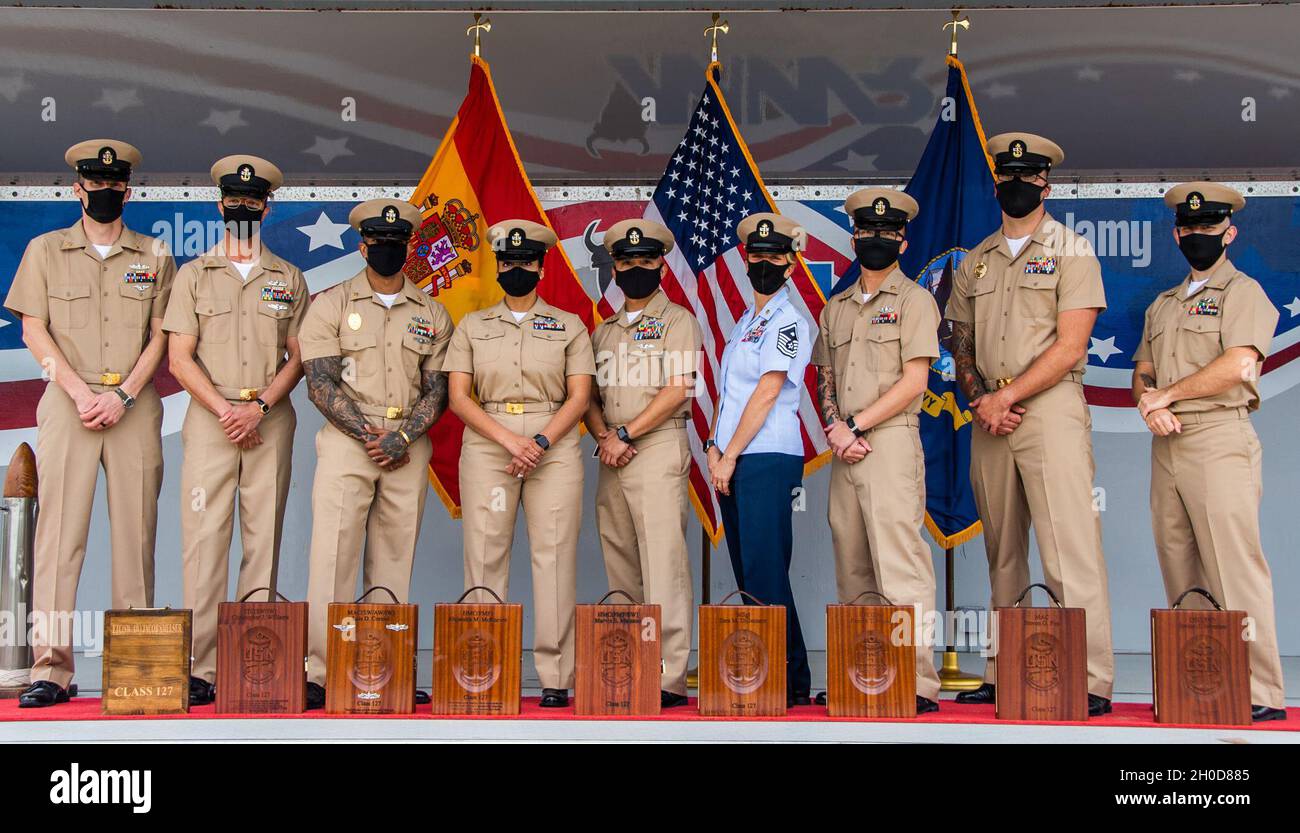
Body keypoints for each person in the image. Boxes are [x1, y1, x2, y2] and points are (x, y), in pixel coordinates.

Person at [947, 133, 1114, 716]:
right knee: (1003, 551)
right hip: (989, 417)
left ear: (1047, 184)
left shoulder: (1073, 251)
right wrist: (981, 401)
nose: (1017, 184)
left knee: (1069, 548)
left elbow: (1071, 346)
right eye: (1007, 176)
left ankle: (1090, 678)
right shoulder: (975, 261)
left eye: (1028, 177)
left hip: (1049, 412)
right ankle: (1005, 668)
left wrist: (1007, 396)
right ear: (996, 183)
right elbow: (958, 343)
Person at [7, 140, 174, 708]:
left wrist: (123, 395)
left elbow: (162, 337)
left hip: (132, 404)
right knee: (57, 536)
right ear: (77, 189)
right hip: (68, 400)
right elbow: (34, 330)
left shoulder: (155, 254)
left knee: (136, 534)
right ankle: (51, 668)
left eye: (114, 186)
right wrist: (81, 393)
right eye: (94, 185)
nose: (105, 193)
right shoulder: (45, 250)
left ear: (128, 190)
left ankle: (136, 666)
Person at [1132, 182, 1285, 722]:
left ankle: (1260, 690)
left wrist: (1166, 395)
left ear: (1230, 232)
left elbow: (1239, 364)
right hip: (1166, 440)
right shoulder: (1163, 304)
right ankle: (1200, 683)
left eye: (1209, 228)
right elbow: (1142, 370)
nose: (1199, 235)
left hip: (1218, 437)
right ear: (1177, 233)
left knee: (1233, 568)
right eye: (1190, 228)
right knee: (1181, 570)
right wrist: (1150, 405)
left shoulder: (1244, 293)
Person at [164, 155, 307, 705]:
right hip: (209, 420)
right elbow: (179, 358)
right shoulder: (194, 275)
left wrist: (259, 409)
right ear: (220, 205)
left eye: (252, 201)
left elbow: (299, 357)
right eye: (233, 201)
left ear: (265, 208)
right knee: (204, 540)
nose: (242, 207)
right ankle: (199, 665)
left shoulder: (289, 278)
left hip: (268, 420)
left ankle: (254, 659)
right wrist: (227, 411)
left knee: (262, 540)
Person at [298, 199, 452, 710]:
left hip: (406, 447)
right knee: (333, 557)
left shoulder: (431, 312)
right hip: (349, 444)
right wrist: (370, 433)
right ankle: (321, 671)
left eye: (396, 244)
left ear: (408, 249)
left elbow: (438, 388)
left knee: (394, 560)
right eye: (378, 244)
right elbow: (318, 382)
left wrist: (402, 437)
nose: (386, 251)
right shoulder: (331, 303)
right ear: (362, 246)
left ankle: (384, 666)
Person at [444, 220, 595, 708]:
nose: (515, 269)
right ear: (498, 267)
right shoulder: (472, 325)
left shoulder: (569, 324)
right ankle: (483, 669)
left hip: (553, 447)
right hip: (491, 442)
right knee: (485, 559)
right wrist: (512, 441)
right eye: (507, 263)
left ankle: (555, 675)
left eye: (524, 262)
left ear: (541, 267)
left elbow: (580, 396)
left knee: (553, 559)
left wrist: (541, 441)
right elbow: (459, 398)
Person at [811, 188, 941, 714]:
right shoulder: (836, 307)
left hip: (887, 443)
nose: (876, 240)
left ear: (902, 241)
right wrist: (836, 427)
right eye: (866, 232)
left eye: (887, 233)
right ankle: (862, 674)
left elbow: (916, 381)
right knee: (853, 565)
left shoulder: (915, 301)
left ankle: (915, 680)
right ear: (855, 237)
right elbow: (824, 376)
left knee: (900, 565)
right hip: (845, 449)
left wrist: (856, 424)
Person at [584, 219, 702, 708]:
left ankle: (669, 675)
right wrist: (605, 437)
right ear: (614, 266)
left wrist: (627, 434)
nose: (636, 267)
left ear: (660, 264)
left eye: (646, 260)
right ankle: (629, 665)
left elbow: (678, 390)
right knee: (621, 563)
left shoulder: (678, 320)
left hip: (654, 448)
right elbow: (585, 395)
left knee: (663, 563)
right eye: (627, 261)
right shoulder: (602, 329)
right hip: (610, 450)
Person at [706, 211, 814, 707]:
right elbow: (729, 396)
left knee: (767, 570)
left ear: (791, 264)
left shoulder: (789, 320)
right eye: (757, 255)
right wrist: (713, 446)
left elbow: (769, 390)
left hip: (766, 455)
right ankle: (775, 676)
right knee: (750, 572)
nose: (764, 263)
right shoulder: (747, 321)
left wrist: (728, 455)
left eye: (775, 256)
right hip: (733, 457)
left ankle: (788, 679)